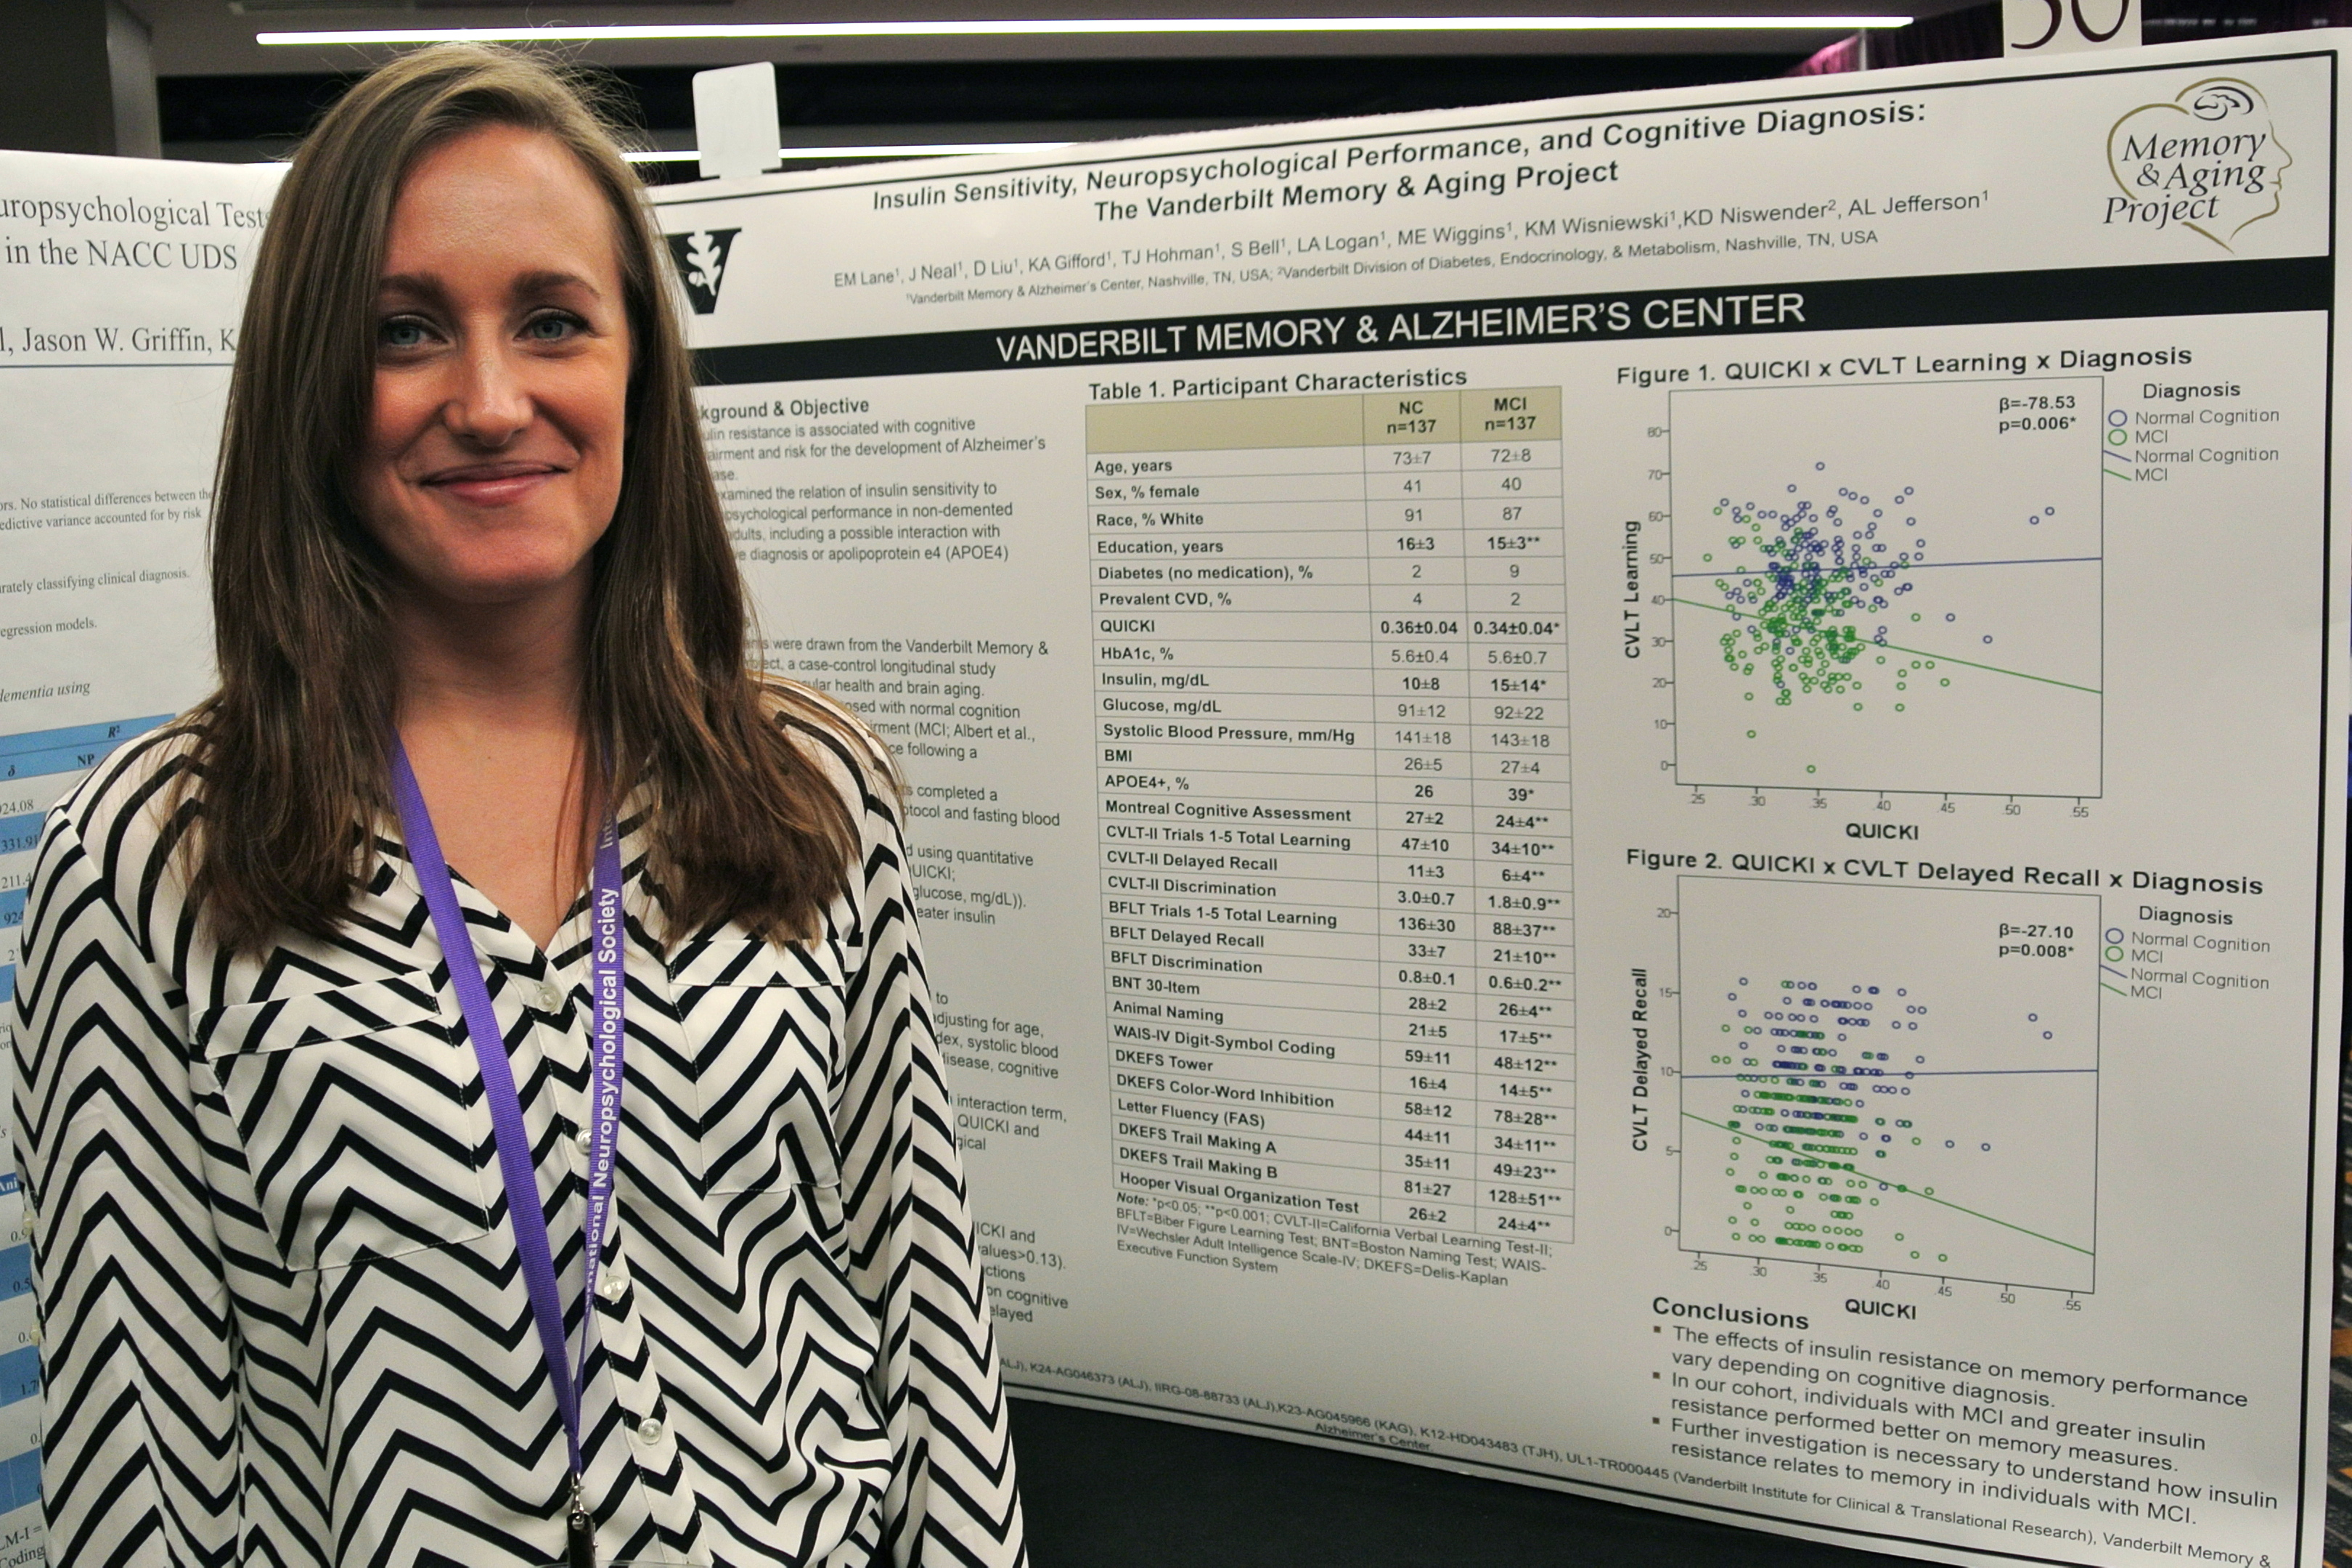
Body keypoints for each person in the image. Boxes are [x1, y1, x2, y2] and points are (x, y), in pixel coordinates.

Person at [9, 44, 1024, 1568]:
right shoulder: (155, 853)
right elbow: (138, 1458)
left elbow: (924, 1297)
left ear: (638, 371)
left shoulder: (805, 782)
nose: (490, 404)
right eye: (404, 332)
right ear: (310, 386)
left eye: (552, 321)